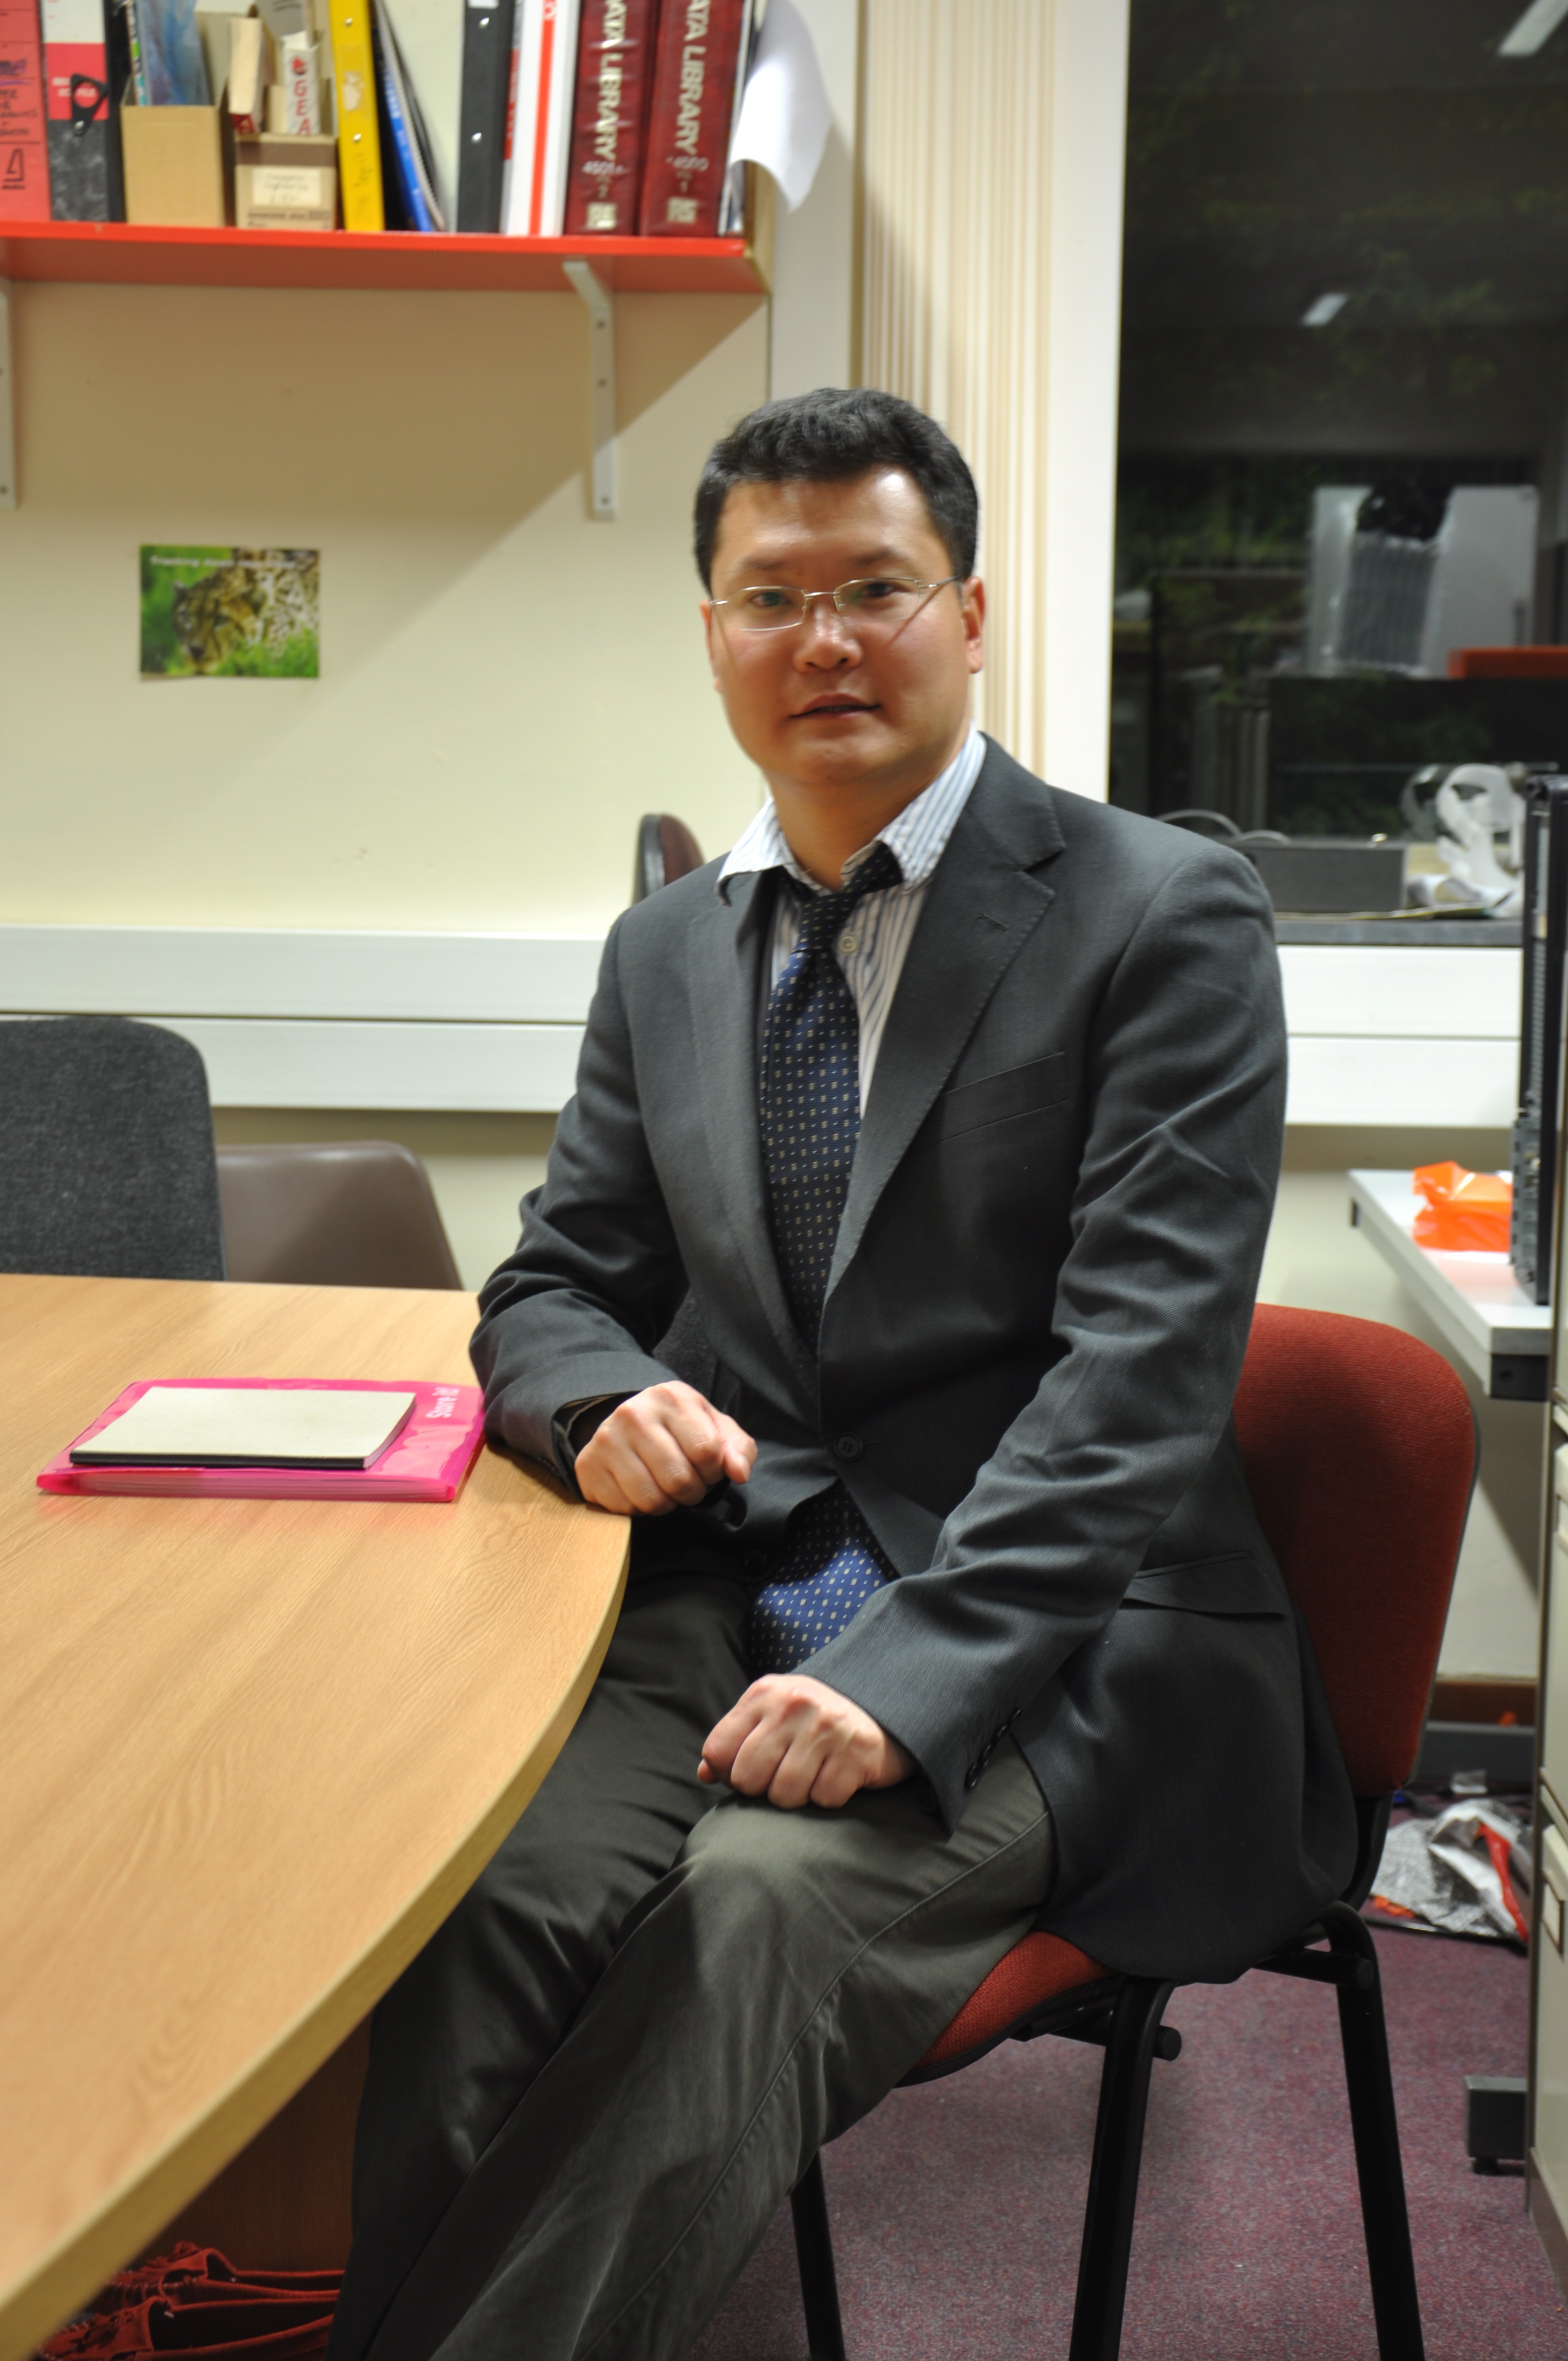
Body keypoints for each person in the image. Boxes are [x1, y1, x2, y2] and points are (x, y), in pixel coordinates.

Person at [327, 388, 1355, 2361]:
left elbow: (1138, 1378)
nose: (824, 641)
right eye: (769, 597)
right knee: (485, 1901)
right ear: (712, 634)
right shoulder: (664, 951)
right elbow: (553, 1282)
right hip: (743, 1580)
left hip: (1065, 1639)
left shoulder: (1162, 911)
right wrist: (596, 1398)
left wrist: (905, 1680)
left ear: (969, 614)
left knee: (745, 1915)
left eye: (874, 589)